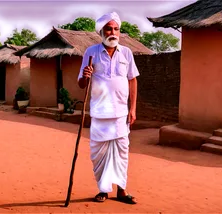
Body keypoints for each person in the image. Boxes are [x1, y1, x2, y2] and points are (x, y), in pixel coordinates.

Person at [77, 11, 139, 204]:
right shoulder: (90, 52)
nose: (113, 32)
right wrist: (86, 76)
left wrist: (133, 108)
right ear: (101, 32)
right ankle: (103, 190)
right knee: (99, 155)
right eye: (108, 29)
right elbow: (81, 84)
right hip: (99, 113)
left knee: (122, 154)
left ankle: (121, 191)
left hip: (121, 113)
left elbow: (132, 80)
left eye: (116, 29)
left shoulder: (127, 53)